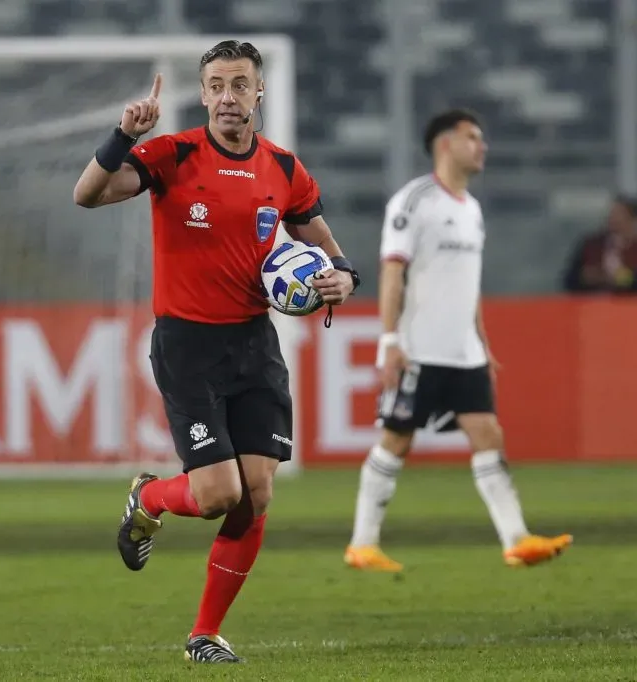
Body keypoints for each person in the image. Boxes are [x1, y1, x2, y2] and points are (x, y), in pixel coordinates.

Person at [73, 40, 359, 663]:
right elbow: (87, 194)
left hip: (255, 344)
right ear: (202, 94)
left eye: (240, 84)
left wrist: (344, 277)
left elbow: (326, 246)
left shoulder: (284, 169)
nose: (229, 96)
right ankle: (149, 499)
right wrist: (121, 136)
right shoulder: (171, 154)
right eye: (217, 85)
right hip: (187, 346)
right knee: (217, 497)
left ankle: (204, 635)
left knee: (257, 493)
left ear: (259, 92)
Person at [344, 109, 572, 573]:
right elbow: (392, 273)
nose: (482, 146)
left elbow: (468, 284)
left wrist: (482, 343)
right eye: (473, 137)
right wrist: (389, 340)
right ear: (445, 144)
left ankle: (517, 539)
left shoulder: (472, 210)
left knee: (488, 433)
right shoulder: (414, 201)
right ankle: (362, 544)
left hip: (463, 351)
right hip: (419, 349)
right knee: (396, 440)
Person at [562, 195, 637, 294]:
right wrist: (585, 278)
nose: (612, 219)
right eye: (612, 214)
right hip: (593, 305)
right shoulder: (591, 245)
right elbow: (569, 280)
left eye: (619, 215)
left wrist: (621, 278)